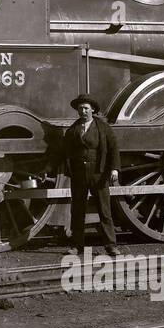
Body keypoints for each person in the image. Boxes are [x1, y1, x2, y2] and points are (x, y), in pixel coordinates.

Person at [60, 95, 122, 256]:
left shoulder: (103, 127)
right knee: (78, 211)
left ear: (92, 109)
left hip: (98, 173)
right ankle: (77, 246)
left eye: (86, 108)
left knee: (104, 210)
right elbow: (66, 151)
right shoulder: (73, 129)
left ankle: (111, 245)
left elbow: (114, 148)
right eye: (80, 108)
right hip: (79, 175)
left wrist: (114, 169)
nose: (83, 111)